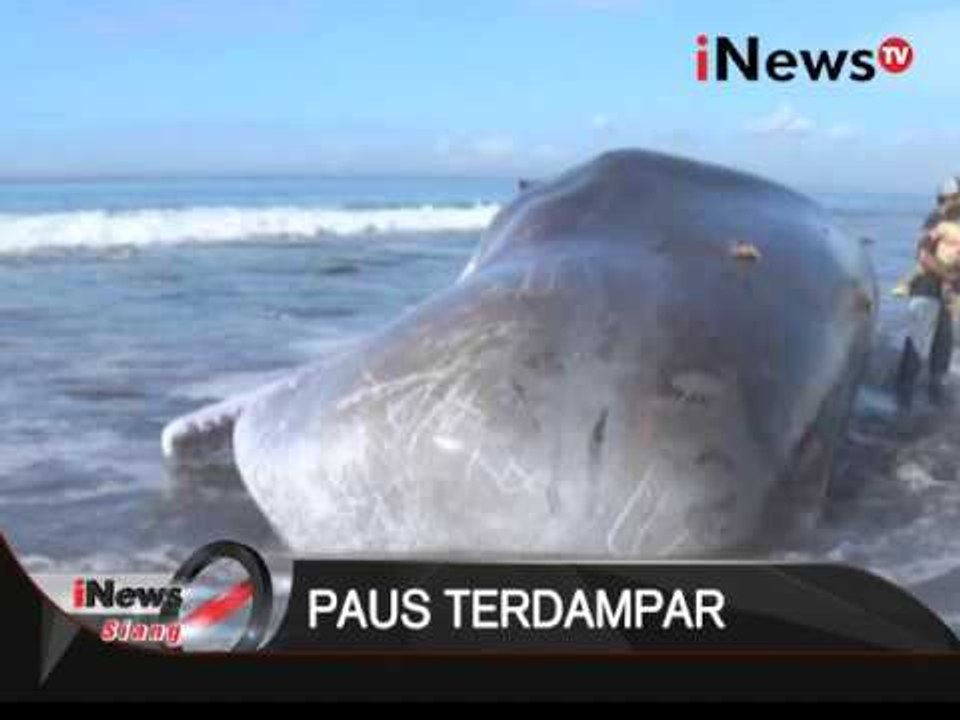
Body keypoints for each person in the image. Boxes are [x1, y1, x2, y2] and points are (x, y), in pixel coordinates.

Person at [895, 180, 960, 410]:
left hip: (949, 294)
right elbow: (923, 256)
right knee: (918, 343)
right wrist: (948, 276)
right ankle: (903, 398)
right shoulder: (937, 220)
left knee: (944, 344)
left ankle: (934, 397)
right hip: (927, 289)